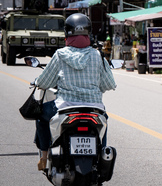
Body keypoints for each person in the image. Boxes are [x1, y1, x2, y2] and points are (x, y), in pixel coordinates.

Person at [34, 13, 117, 171]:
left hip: (65, 107)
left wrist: (38, 82)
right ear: (88, 33)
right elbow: (109, 84)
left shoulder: (60, 55)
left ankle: (44, 157)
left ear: (67, 33)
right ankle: (101, 155)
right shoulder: (97, 55)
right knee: (104, 122)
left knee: (41, 118)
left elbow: (45, 82)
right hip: (94, 108)